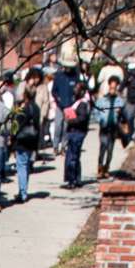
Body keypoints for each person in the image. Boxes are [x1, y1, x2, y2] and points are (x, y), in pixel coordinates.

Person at [52, 46, 87, 187]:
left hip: (73, 108)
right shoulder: (59, 76)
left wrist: (73, 107)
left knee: (72, 146)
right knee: (58, 126)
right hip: (61, 107)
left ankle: (73, 178)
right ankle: (56, 146)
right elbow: (54, 92)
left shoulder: (76, 76)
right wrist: (60, 103)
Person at [10, 69, 46, 203]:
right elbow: (38, 125)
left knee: (21, 166)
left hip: (22, 141)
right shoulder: (36, 108)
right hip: (32, 140)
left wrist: (12, 138)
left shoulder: (24, 109)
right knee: (26, 166)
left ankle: (23, 192)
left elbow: (17, 125)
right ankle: (24, 189)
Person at [93, 68, 129, 179]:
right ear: (109, 86)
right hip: (104, 127)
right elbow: (96, 112)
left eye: (115, 87)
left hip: (113, 128)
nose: (113, 89)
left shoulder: (120, 101)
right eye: (111, 86)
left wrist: (121, 114)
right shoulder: (102, 100)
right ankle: (100, 167)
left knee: (110, 149)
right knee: (103, 147)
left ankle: (106, 167)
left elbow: (124, 116)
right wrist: (100, 120)